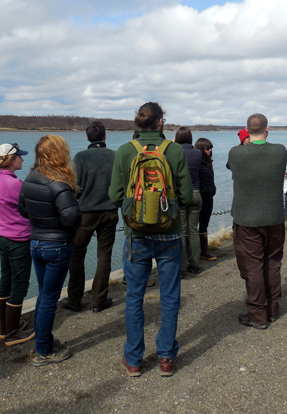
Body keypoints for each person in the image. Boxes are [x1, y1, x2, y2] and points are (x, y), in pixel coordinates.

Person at [109, 102, 193, 377]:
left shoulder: (124, 151)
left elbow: (114, 196)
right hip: (169, 234)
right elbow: (186, 195)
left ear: (138, 123)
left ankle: (133, 359)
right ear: (160, 123)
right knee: (170, 296)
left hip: (136, 234)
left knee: (134, 296)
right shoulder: (175, 150)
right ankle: (166, 358)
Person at [18, 135, 81, 367]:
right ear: (59, 153)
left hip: (36, 243)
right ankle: (43, 350)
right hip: (57, 245)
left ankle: (44, 341)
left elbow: (22, 208)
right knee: (48, 298)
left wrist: (41, 221)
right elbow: (72, 216)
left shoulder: (30, 177)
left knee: (44, 295)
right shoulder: (59, 182)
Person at [228, 113, 287, 329]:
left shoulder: (236, 153)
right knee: (272, 263)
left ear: (246, 130)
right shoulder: (280, 151)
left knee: (253, 267)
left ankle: (257, 314)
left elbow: (231, 167)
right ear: (267, 129)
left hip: (247, 219)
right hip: (274, 218)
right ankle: (272, 309)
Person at [62, 121, 118, 314]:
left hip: (84, 213)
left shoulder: (80, 157)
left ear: (87, 138)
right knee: (104, 255)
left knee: (77, 255)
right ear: (105, 137)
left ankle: (74, 300)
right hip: (109, 211)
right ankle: (99, 300)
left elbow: (73, 186)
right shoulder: (114, 156)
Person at [0, 143, 34, 346]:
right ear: (11, 160)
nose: (22, 159)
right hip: (17, 238)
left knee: (6, 279)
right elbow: (30, 207)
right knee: (20, 283)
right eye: (19, 156)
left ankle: (6, 327)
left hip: (0, 235)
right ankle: (11, 332)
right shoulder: (13, 184)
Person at [175, 127, 202, 275]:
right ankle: (195, 263)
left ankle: (182, 266)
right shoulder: (197, 152)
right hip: (196, 193)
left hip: (181, 194)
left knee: (181, 231)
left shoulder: (176, 152)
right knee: (193, 230)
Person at [195, 137, 217, 261]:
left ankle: (204, 251)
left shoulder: (209, 162)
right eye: (207, 149)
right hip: (201, 197)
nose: (209, 151)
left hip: (209, 197)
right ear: (201, 149)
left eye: (211, 149)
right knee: (193, 225)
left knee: (204, 225)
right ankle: (192, 253)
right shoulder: (197, 162)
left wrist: (213, 189)